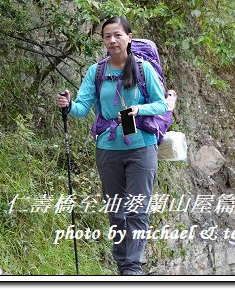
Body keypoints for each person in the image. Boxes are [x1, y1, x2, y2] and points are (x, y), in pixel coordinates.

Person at [56, 16, 177, 276]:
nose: (112, 40)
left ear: (129, 38)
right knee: (116, 211)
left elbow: (162, 104)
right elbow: (80, 109)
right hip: (108, 148)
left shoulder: (143, 69)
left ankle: (133, 267)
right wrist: (68, 105)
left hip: (141, 146)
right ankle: (123, 265)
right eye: (107, 36)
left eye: (117, 35)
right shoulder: (96, 71)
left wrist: (138, 109)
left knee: (137, 208)